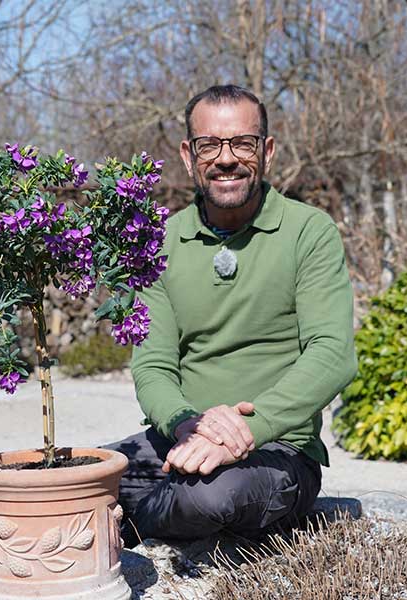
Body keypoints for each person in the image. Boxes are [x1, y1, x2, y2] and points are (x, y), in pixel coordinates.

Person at [105, 84, 357, 546]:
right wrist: (185, 423)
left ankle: (120, 528)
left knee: (209, 498)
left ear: (268, 151)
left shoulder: (309, 231)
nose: (226, 158)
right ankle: (122, 521)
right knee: (76, 480)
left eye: (243, 143)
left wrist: (245, 429)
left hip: (276, 449)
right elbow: (153, 364)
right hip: (180, 437)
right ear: (188, 155)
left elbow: (333, 354)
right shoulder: (158, 241)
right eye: (209, 145)